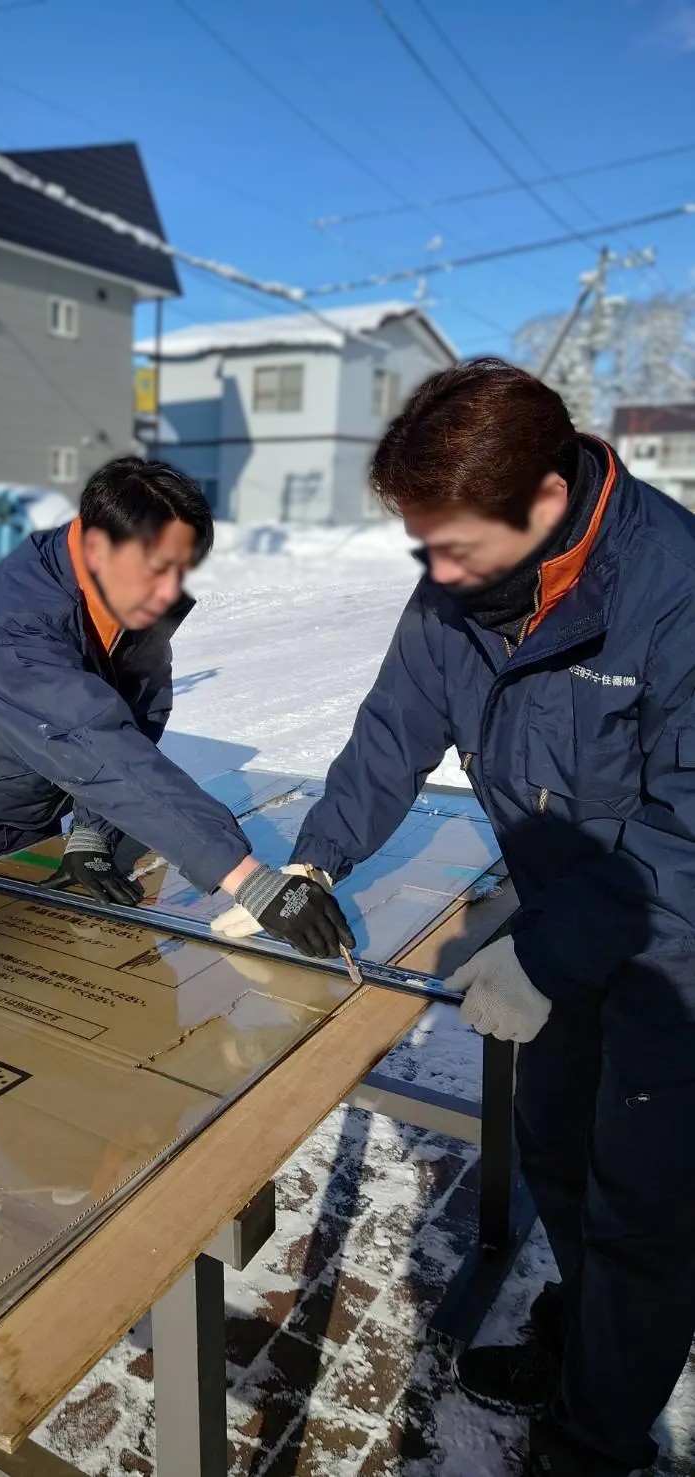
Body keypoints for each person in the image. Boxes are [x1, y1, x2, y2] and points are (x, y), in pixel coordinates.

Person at [282, 358, 695, 1477]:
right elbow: (392, 732)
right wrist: (315, 861)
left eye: (455, 547)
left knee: (644, 1210)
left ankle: (593, 1439)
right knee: (557, 1151)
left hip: (673, 954)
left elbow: (687, 830)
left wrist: (551, 950)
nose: (437, 571)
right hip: (560, 922)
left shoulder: (673, 588)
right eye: (423, 547)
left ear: (548, 503)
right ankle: (584, 1337)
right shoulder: (461, 585)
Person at [0, 456, 353, 962]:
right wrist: (248, 880)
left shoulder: (125, 599)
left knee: (16, 975)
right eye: (157, 570)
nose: (167, 593)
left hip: (30, 820)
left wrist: (91, 830)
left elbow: (134, 720)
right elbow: (92, 743)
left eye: (181, 572)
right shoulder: (18, 628)